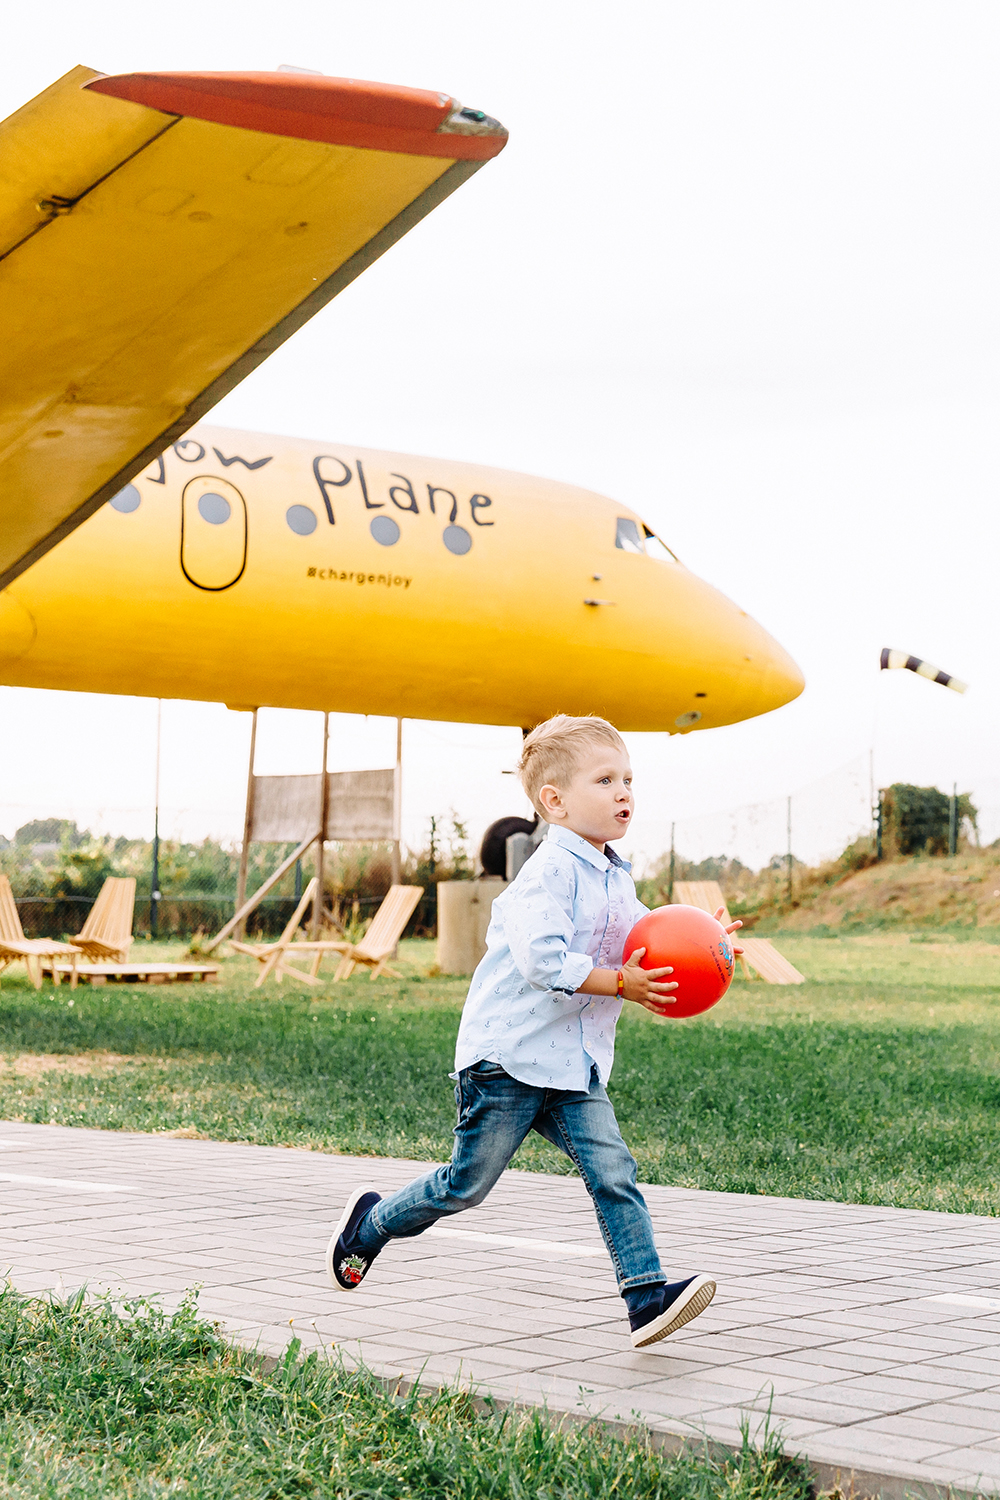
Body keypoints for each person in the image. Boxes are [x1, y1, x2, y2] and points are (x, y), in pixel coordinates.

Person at [325, 714, 742, 1348]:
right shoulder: (548, 873)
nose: (624, 792)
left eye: (628, 779)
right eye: (605, 780)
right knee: (465, 1186)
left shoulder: (615, 875)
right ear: (555, 800)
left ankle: (646, 1298)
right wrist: (619, 983)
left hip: (573, 1067)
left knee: (613, 1171)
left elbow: (645, 937)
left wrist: (705, 941)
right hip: (509, 1061)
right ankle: (371, 1225)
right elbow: (544, 962)